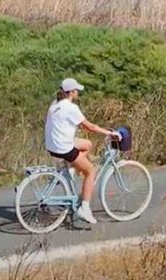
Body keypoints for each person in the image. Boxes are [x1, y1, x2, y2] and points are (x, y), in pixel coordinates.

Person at [44, 78, 119, 225]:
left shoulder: (55, 104)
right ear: (71, 92)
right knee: (90, 171)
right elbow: (90, 127)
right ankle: (84, 208)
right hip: (64, 147)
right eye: (76, 90)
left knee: (87, 144)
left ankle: (71, 169)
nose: (77, 92)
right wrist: (109, 133)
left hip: (53, 144)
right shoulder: (71, 108)